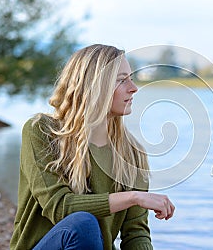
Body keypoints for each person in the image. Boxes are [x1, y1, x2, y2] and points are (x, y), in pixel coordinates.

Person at [10, 44, 175, 250]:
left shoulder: (133, 153)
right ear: (94, 86)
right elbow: (60, 207)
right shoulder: (42, 131)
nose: (133, 88)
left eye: (131, 79)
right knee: (83, 224)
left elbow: (136, 234)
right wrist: (133, 197)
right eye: (122, 80)